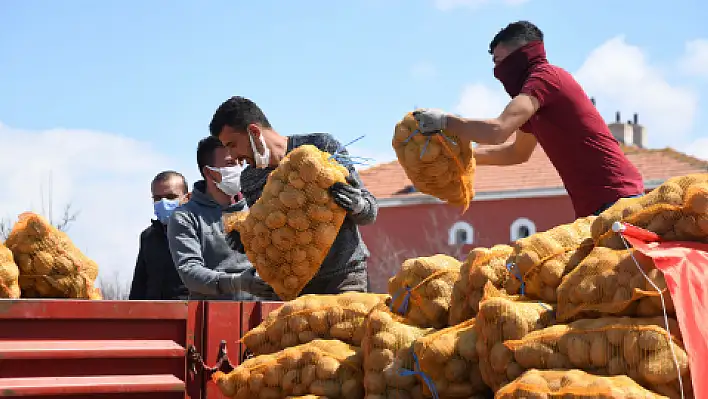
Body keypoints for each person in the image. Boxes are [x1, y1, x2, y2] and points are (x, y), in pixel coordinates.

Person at [412, 21, 644, 218]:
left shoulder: (544, 79)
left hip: (618, 198)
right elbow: (516, 153)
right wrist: (461, 157)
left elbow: (498, 130)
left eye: (500, 60)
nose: (498, 71)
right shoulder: (535, 99)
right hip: (594, 206)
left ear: (521, 54)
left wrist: (444, 122)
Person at [209, 96, 377, 295]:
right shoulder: (249, 179)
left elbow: (370, 211)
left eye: (233, 144)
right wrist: (246, 238)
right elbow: (273, 239)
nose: (233, 156)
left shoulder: (321, 146)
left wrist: (357, 204)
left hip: (345, 279)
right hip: (296, 287)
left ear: (254, 132)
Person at [167, 136, 276, 300]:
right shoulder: (186, 217)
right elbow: (190, 271)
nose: (240, 168)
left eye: (241, 162)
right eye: (231, 164)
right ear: (209, 172)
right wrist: (236, 282)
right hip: (213, 318)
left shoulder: (260, 207)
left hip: (264, 314)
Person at [129, 171, 190, 300]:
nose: (163, 203)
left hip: (189, 313)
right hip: (153, 314)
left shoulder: (201, 233)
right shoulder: (148, 237)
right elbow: (139, 286)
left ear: (186, 198)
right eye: (157, 198)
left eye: (170, 197)